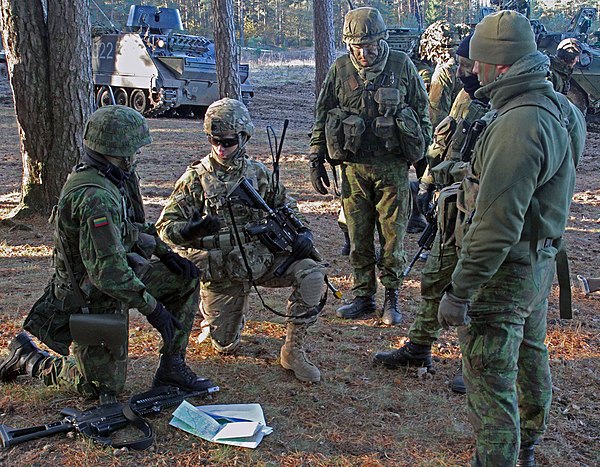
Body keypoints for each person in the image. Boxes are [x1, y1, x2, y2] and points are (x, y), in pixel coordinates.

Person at [436, 11, 585, 466]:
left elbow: (496, 225)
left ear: (499, 65)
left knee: (490, 377)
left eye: (478, 61)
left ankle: (500, 458)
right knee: (529, 355)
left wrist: (459, 291)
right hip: (538, 261)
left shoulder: (519, 124)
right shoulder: (561, 107)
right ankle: (527, 448)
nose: (472, 70)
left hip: (504, 271)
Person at [0, 106, 215, 404]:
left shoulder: (117, 177)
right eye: (134, 151)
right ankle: (30, 358)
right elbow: (107, 275)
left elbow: (133, 226)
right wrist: (154, 309)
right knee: (100, 388)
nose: (137, 156)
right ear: (119, 151)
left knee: (184, 280)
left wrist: (167, 256)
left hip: (120, 274)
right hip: (91, 293)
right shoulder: (95, 196)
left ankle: (172, 368)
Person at [156, 98, 325, 383]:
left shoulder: (258, 173)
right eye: (214, 140)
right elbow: (165, 226)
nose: (221, 148)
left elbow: (287, 205)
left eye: (229, 141)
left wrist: (303, 233)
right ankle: (218, 320)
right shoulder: (195, 179)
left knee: (312, 272)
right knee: (225, 346)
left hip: (263, 261)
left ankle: (293, 351)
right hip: (222, 271)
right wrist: (191, 230)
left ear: (244, 137)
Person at [373, 34, 490, 396]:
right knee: (434, 280)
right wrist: (426, 183)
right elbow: (445, 141)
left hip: (482, 212)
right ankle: (419, 348)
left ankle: (478, 367)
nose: (463, 71)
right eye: (461, 64)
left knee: (477, 294)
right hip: (452, 208)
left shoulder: (503, 108)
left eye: (469, 65)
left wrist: (449, 175)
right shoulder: (466, 96)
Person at [308, 7, 432, 326]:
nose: (365, 53)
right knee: (358, 236)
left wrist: (424, 163)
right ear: (349, 45)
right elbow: (323, 114)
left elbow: (422, 114)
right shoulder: (339, 69)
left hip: (391, 168)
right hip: (353, 168)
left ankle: (391, 297)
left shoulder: (401, 66)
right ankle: (363, 295)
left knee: (392, 238)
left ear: (382, 39)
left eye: (371, 45)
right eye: (358, 47)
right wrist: (316, 158)